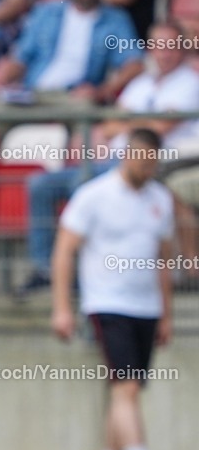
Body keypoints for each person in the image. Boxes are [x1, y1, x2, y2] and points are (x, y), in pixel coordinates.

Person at [18, 21, 199, 295]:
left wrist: (130, 123)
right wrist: (138, 124)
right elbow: (110, 126)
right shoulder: (140, 84)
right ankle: (45, 270)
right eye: (158, 46)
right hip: (114, 161)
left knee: (84, 180)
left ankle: (90, 274)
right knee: (40, 184)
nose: (164, 53)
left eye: (171, 46)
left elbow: (159, 130)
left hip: (157, 164)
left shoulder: (190, 83)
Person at [51, 128, 176, 450]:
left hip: (146, 307)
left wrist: (166, 315)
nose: (148, 168)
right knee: (127, 387)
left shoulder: (160, 199)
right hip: (108, 303)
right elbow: (64, 250)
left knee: (125, 392)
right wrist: (61, 307)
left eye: (154, 162)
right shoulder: (94, 196)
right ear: (127, 155)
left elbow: (163, 261)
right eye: (143, 159)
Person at [0, 0, 143, 106]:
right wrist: (3, 78)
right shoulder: (46, 12)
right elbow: (21, 57)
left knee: (84, 109)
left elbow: (133, 63)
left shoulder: (115, 20)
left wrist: (102, 91)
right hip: (34, 93)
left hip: (73, 97)